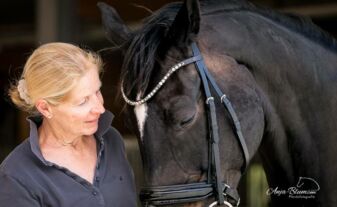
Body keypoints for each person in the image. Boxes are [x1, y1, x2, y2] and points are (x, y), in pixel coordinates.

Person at [0, 42, 137, 206]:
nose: (100, 109)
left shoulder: (112, 139)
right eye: (83, 101)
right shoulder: (16, 176)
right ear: (45, 108)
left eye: (97, 91)